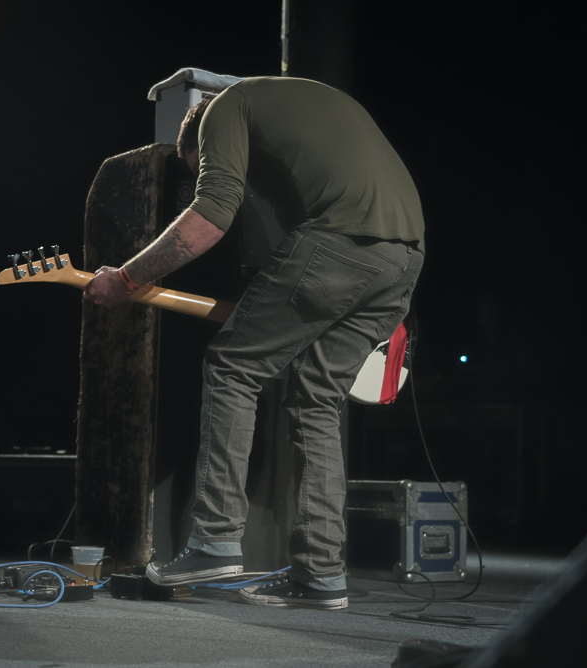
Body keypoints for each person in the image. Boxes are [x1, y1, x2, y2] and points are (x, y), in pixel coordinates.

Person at [83, 76, 425, 610]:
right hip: (404, 260)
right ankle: (321, 575)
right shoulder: (296, 102)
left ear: (195, 141)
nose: (204, 171)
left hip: (340, 242)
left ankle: (215, 541)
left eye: (197, 165)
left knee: (231, 368)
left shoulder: (223, 108)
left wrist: (125, 279)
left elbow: (212, 216)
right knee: (317, 401)